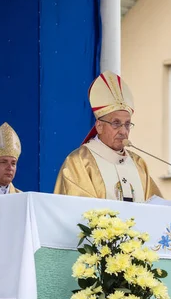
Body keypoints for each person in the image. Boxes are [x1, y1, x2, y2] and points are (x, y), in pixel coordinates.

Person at [54, 71, 162, 202]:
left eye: (127, 124)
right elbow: (77, 210)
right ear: (99, 126)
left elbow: (158, 209)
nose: (123, 131)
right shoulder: (79, 162)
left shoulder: (138, 164)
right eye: (116, 123)